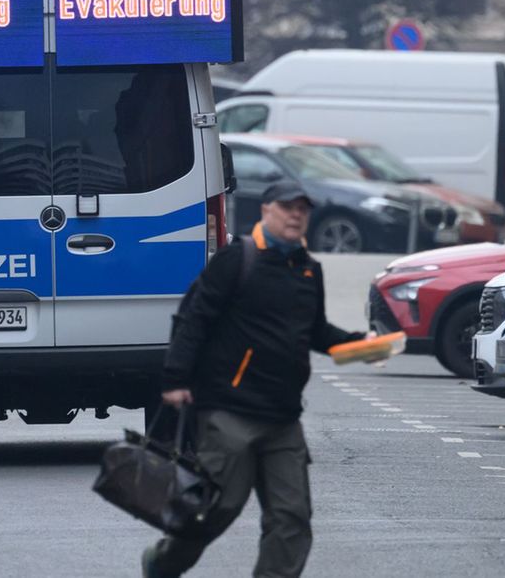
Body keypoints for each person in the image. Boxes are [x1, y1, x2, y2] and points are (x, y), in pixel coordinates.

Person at [143, 182, 365, 578]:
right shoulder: (236, 260)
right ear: (266, 210)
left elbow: (315, 332)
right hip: (229, 411)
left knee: (291, 517)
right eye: (288, 207)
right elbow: (194, 318)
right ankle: (163, 561)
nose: (296, 215)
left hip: (283, 418)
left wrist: (363, 346)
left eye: (303, 209)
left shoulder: (309, 270)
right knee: (214, 510)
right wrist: (175, 378)